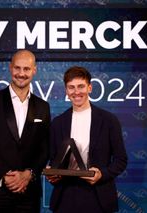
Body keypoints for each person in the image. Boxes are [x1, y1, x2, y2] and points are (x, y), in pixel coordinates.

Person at [0, 50, 51, 213]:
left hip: (28, 192)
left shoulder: (43, 107)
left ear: (34, 70)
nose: (21, 74)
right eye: (17, 68)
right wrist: (5, 175)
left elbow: (44, 149)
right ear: (10, 68)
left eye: (26, 69)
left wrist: (28, 174)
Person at [46, 66, 127, 213]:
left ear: (89, 88)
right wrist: (52, 174)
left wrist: (102, 174)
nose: (76, 92)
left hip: (98, 196)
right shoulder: (57, 123)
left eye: (81, 86)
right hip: (65, 196)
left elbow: (121, 160)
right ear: (66, 91)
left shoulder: (109, 120)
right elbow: (53, 160)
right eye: (71, 87)